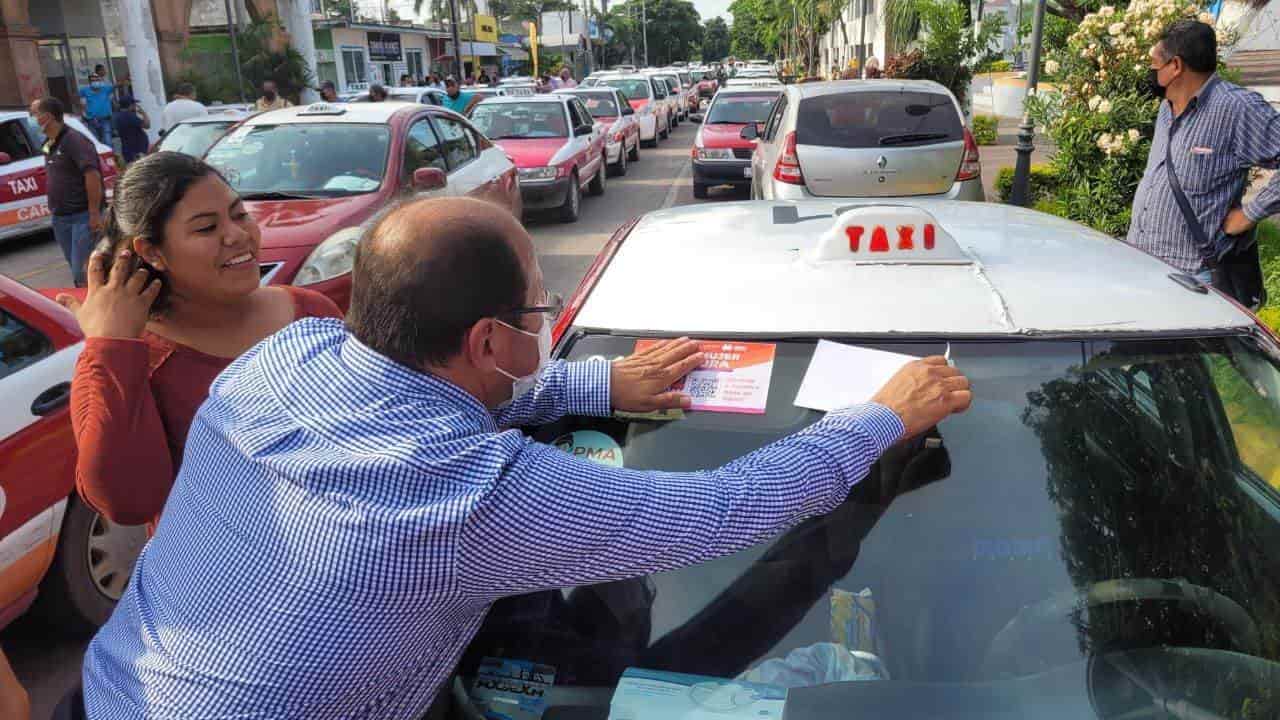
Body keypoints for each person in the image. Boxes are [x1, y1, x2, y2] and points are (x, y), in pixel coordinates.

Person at [79, 196, 971, 717]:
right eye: (541, 316)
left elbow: (424, 392)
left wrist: (589, 386)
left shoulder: (284, 358)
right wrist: (879, 419)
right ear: (489, 342)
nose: (548, 328)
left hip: (111, 691)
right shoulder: (468, 499)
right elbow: (722, 510)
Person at [55, 152, 342, 534]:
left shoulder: (310, 312)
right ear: (152, 252)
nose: (238, 235)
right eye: (207, 228)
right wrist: (110, 347)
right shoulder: (130, 357)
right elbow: (127, 501)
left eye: (239, 215)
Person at [1127, 20, 1280, 306]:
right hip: (1143, 265)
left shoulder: (1236, 108)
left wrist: (1249, 214)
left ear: (1175, 66)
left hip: (1192, 280)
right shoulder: (1167, 108)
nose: (1150, 71)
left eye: (1153, 63)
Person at [31, 97, 103, 287]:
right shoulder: (49, 143)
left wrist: (94, 213)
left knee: (83, 272)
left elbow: (92, 174)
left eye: (35, 114)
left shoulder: (74, 140)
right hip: (61, 218)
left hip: (81, 216)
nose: (32, 118)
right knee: (76, 269)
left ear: (46, 117)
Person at [77, 67, 115, 146]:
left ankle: (110, 156)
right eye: (93, 80)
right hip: (92, 120)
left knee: (108, 141)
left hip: (105, 119)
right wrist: (82, 111)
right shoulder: (84, 90)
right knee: (95, 141)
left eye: (97, 80)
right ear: (90, 82)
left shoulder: (105, 88)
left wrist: (124, 78)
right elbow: (76, 98)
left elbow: (116, 85)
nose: (95, 82)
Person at [111, 95, 150, 163]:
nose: (135, 105)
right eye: (134, 104)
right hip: (137, 151)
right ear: (130, 105)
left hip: (127, 150)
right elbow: (147, 125)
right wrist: (143, 113)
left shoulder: (116, 116)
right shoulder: (130, 116)